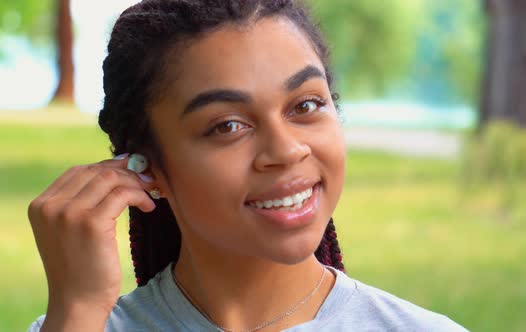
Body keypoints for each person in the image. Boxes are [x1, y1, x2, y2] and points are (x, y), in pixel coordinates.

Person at [27, 1, 468, 331]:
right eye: (227, 126)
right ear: (147, 167)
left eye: (307, 104)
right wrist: (79, 308)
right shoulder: (78, 323)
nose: (286, 149)